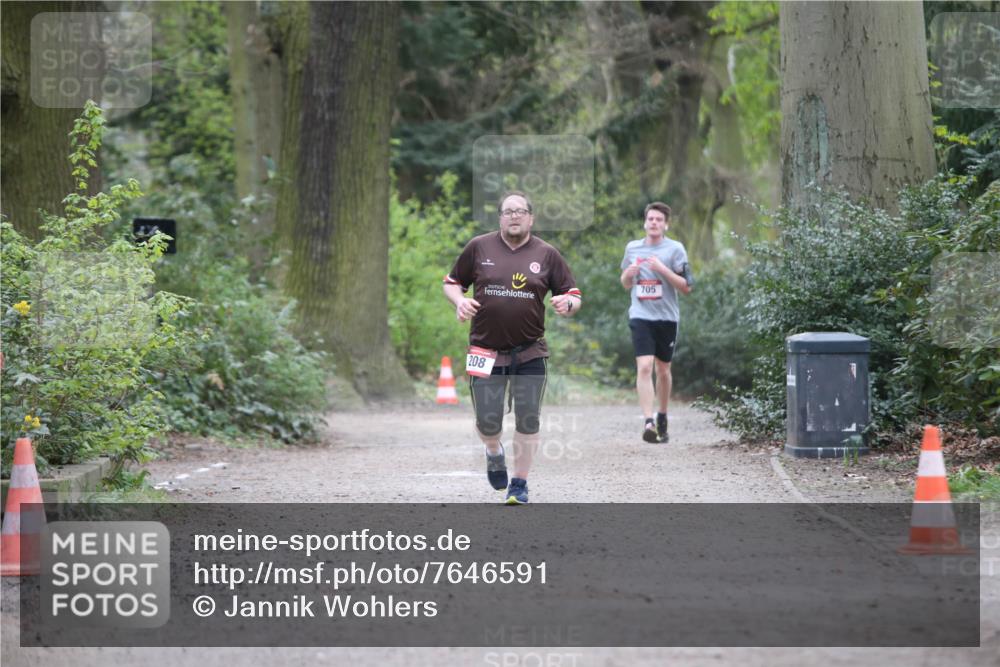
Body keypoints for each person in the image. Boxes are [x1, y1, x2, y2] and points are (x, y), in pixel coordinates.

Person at [443, 191, 582, 504]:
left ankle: (519, 484)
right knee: (487, 422)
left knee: (528, 419)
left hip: (530, 351)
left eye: (520, 211)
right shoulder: (479, 247)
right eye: (508, 211)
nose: (514, 216)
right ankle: (494, 450)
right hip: (485, 351)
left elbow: (573, 295)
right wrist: (460, 301)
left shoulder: (547, 254)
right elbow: (451, 283)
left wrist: (568, 303)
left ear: (531, 218)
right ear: (500, 218)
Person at [619, 201, 692, 443]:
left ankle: (662, 415)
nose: (654, 223)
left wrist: (662, 269)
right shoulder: (633, 248)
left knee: (663, 369)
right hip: (641, 315)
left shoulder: (675, 249)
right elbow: (625, 283)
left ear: (666, 225)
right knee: (644, 366)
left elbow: (686, 287)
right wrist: (629, 274)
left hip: (667, 317)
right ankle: (648, 421)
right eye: (650, 219)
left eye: (659, 220)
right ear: (644, 222)